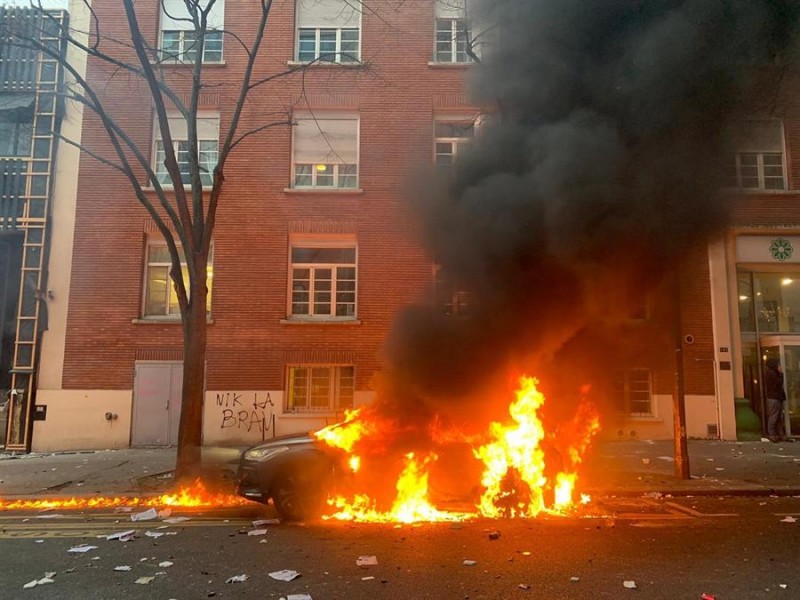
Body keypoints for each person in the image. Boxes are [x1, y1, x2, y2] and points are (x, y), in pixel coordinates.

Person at [765, 358, 787, 442]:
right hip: (774, 398)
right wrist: (781, 374)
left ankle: (779, 434)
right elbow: (778, 383)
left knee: (778, 417)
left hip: (776, 397)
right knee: (774, 416)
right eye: (778, 365)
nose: (780, 366)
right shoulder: (771, 373)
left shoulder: (772, 372)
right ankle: (772, 434)